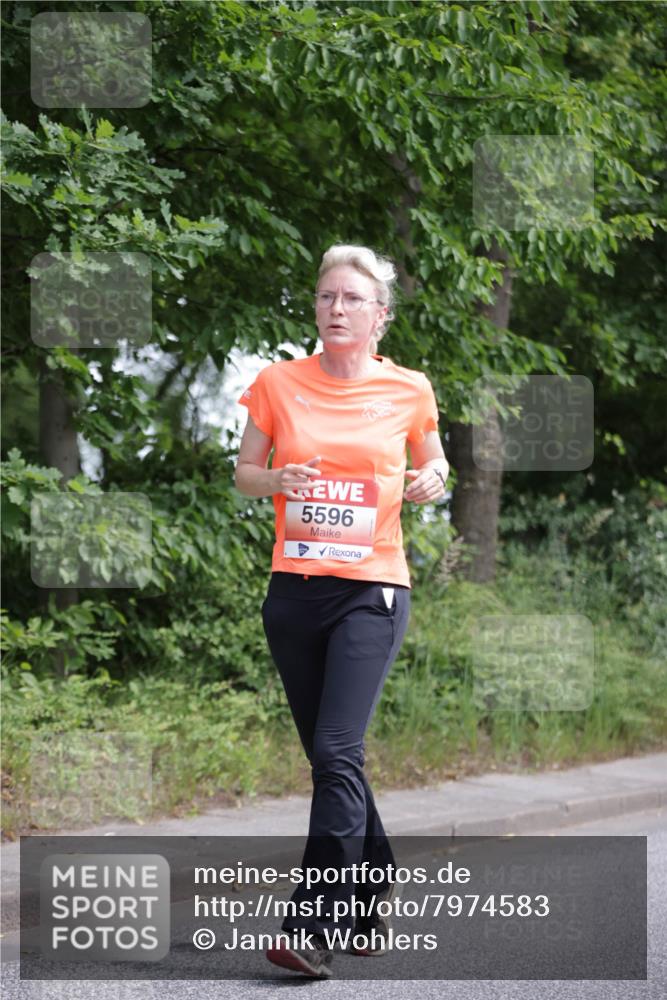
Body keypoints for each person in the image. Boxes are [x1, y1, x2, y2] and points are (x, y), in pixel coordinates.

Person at [234, 243, 449, 978]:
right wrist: (277, 479)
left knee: (334, 753)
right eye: (326, 296)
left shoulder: (409, 389)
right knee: (335, 761)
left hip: (371, 590)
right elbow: (245, 473)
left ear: (379, 316)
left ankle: (313, 926)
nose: (336, 308)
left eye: (352, 299)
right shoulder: (277, 383)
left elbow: (434, 459)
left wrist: (433, 476)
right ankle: (373, 879)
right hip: (294, 593)